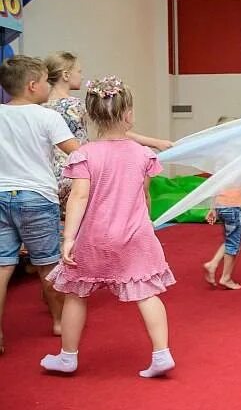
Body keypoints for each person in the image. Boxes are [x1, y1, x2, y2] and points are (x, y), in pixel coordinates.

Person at [41, 76, 176, 377]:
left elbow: (78, 196)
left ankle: (67, 356)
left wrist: (68, 238)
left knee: (76, 293)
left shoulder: (84, 154)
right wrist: (148, 224)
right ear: (128, 115)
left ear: (90, 116)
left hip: (95, 237)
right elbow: (144, 195)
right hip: (135, 235)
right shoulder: (143, 153)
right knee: (146, 292)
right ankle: (161, 353)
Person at [0, 56, 79, 355]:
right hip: (37, 197)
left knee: (3, 265)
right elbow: (76, 152)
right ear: (32, 86)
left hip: (1, 194)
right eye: (46, 81)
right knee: (48, 264)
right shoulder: (47, 116)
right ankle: (58, 321)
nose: (48, 86)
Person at [43, 51, 172, 213]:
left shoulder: (42, 106)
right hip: (77, 172)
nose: (82, 76)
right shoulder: (75, 105)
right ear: (66, 75)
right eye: (79, 71)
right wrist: (156, 143)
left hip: (50, 176)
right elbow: (112, 128)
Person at [203, 117, 241, 290]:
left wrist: (213, 207)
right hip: (233, 204)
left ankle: (213, 264)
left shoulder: (219, 157)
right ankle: (226, 277)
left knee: (229, 239)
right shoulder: (237, 155)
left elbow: (215, 183)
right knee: (234, 243)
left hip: (222, 204)